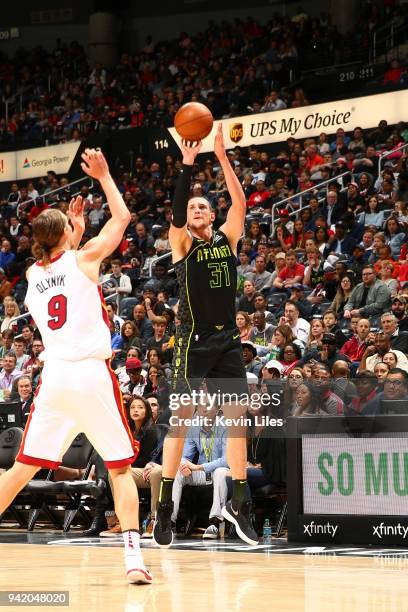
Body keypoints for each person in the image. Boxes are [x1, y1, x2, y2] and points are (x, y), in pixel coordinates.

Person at [0, 149, 152, 584]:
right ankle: (133, 559)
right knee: (120, 468)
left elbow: (56, 266)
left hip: (54, 380)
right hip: (89, 375)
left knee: (22, 469)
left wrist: (73, 230)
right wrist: (105, 177)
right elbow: (121, 218)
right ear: (65, 235)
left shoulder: (30, 274)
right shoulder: (84, 259)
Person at [153, 125, 259, 548]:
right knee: (181, 421)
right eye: (192, 206)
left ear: (212, 216)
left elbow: (242, 202)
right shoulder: (181, 241)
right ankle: (164, 504)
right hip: (192, 341)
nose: (196, 210)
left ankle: (239, 500)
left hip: (228, 340)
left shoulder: (228, 238)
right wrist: (188, 164)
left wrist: (221, 155)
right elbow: (177, 211)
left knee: (236, 421)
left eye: (202, 206)